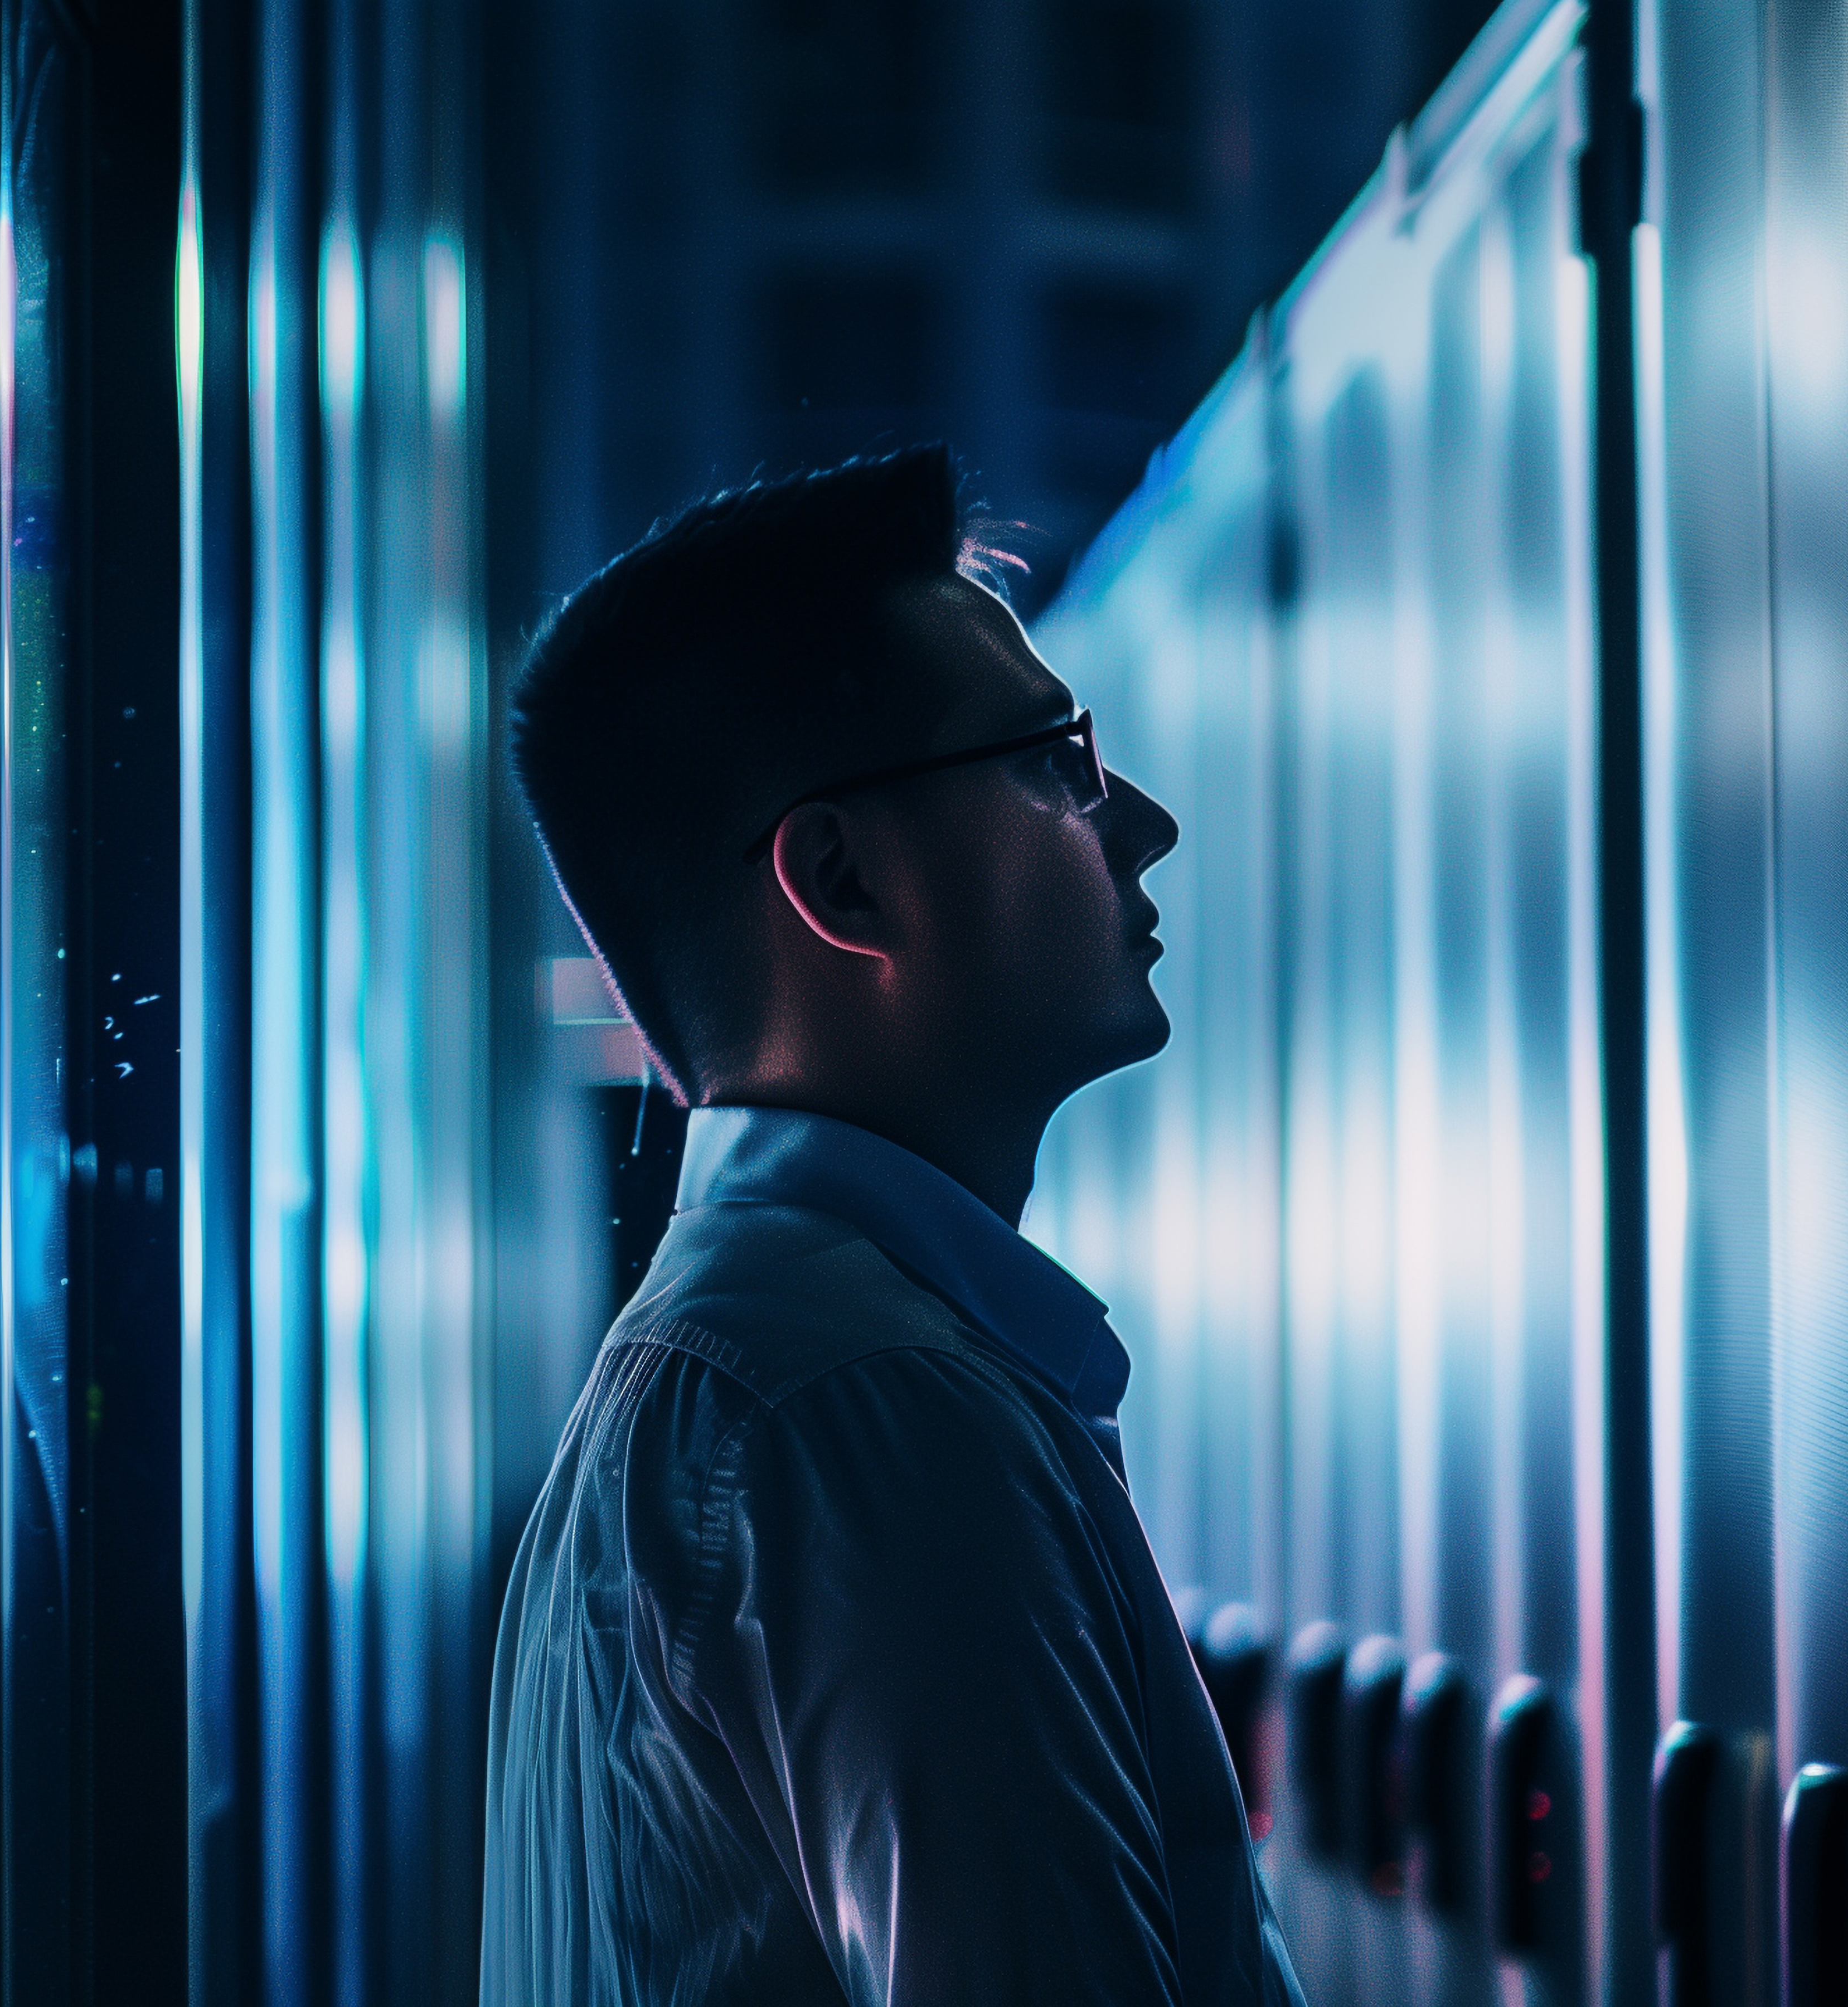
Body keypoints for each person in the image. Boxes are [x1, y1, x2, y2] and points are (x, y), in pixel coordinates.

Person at [486, 446, 1294, 2005]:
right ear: (842, 881)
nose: (1143, 822)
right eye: (1057, 759)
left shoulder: (742, 1375)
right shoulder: (863, 1405)